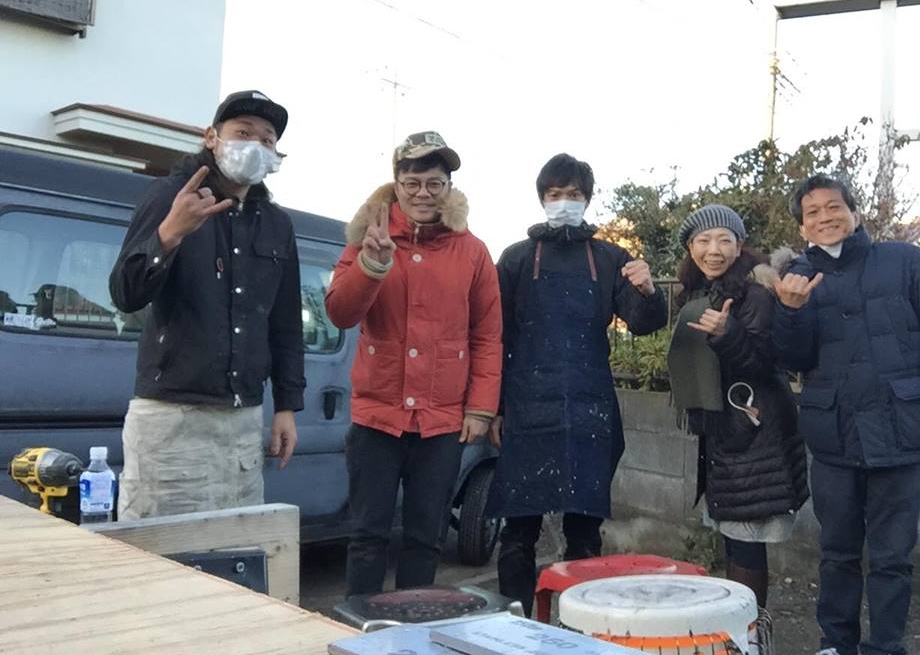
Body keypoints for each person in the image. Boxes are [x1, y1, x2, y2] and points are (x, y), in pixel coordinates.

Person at [772, 175, 920, 655]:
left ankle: (886, 646)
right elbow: (793, 358)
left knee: (893, 556)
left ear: (855, 213)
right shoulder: (796, 276)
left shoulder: (906, 261)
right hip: (833, 433)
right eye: (812, 212)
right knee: (836, 553)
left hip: (900, 429)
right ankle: (836, 643)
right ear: (802, 227)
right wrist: (791, 311)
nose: (824, 217)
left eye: (833, 207)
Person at [486, 153, 668, 616]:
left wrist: (649, 289)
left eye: (573, 195)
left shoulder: (610, 258)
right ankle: (514, 625)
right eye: (554, 195)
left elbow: (645, 323)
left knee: (584, 536)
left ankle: (576, 625)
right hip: (526, 406)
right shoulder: (516, 258)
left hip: (590, 406)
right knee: (517, 535)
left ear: (587, 200)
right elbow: (495, 336)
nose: (563, 202)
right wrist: (495, 408)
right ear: (541, 199)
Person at [109, 90, 303, 520]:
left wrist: (287, 405)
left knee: (234, 553)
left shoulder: (277, 223)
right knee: (159, 555)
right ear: (212, 137)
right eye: (243, 132)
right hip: (171, 416)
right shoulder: (170, 196)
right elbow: (125, 294)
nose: (255, 145)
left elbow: (286, 321)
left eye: (267, 139)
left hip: (243, 419)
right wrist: (168, 235)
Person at [325, 131, 502, 596]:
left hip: (442, 422)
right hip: (376, 417)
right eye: (413, 182)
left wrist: (480, 409)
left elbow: (487, 336)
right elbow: (340, 312)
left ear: (448, 188)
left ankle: (414, 636)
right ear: (397, 184)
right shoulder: (367, 238)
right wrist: (372, 264)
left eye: (434, 183)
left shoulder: (473, 251)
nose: (423, 193)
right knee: (367, 536)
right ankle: (358, 635)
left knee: (426, 539)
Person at [666, 203, 809, 609]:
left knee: (747, 543)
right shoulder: (696, 292)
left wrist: (727, 332)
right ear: (690, 247)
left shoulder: (756, 292)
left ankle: (749, 636)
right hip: (726, 434)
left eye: (724, 240)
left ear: (740, 245)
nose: (714, 249)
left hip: (754, 432)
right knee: (735, 538)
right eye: (704, 240)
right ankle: (742, 632)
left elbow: (767, 363)